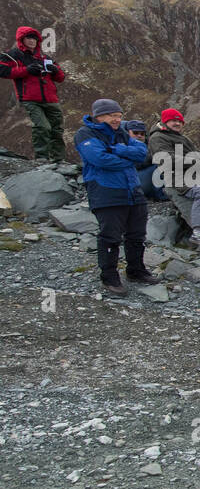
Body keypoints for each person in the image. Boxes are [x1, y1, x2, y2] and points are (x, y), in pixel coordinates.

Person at [74, 99, 160, 297]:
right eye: (113, 115)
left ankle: (136, 270)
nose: (117, 119)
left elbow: (141, 153)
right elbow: (99, 159)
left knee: (137, 235)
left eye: (119, 116)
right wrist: (126, 160)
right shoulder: (85, 134)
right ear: (99, 116)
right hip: (107, 192)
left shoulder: (121, 133)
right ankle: (109, 276)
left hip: (133, 191)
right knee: (110, 236)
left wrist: (116, 150)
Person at [146, 108, 200, 249]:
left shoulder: (182, 138)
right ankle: (198, 233)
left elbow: (196, 154)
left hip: (195, 174)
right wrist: (196, 160)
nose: (177, 123)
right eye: (173, 120)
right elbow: (166, 159)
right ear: (165, 121)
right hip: (177, 178)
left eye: (179, 121)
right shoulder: (157, 137)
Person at [0, 26, 66, 162]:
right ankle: (42, 158)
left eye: (35, 38)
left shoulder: (44, 57)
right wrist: (27, 70)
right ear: (21, 40)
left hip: (51, 99)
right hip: (30, 98)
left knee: (57, 130)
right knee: (42, 126)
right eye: (29, 38)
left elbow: (60, 78)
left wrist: (55, 71)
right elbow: (2, 71)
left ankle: (59, 160)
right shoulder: (12, 55)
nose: (32, 41)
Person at [125, 120, 167, 201]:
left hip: (143, 179)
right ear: (127, 133)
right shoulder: (124, 146)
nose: (139, 136)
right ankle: (161, 195)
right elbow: (134, 164)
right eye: (135, 132)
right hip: (132, 181)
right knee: (159, 166)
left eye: (142, 134)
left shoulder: (149, 145)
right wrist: (153, 157)